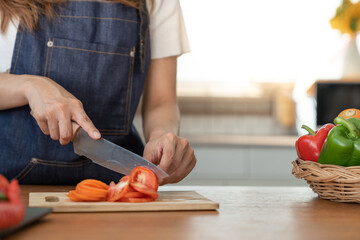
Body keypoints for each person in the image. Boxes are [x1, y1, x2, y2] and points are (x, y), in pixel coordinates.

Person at [0, 0, 196, 185]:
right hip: (10, 190)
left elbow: (161, 102)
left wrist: (162, 136)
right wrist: (30, 86)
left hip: (116, 190)